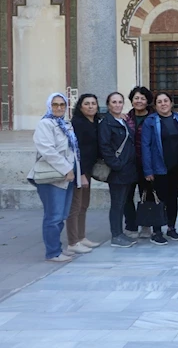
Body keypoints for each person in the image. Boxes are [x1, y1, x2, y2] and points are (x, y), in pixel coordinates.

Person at [28, 93, 81, 262]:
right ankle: (52, 252)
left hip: (67, 177)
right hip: (53, 177)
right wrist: (67, 169)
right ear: (49, 106)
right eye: (55, 104)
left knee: (61, 215)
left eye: (62, 105)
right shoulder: (45, 124)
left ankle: (57, 248)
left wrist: (74, 173)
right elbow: (47, 150)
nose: (59, 108)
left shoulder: (65, 124)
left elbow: (73, 151)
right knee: (53, 216)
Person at [141, 92, 178, 245]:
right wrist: (148, 170)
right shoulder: (150, 121)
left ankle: (171, 227)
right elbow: (145, 146)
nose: (163, 104)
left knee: (173, 199)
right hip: (159, 167)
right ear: (155, 105)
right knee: (159, 200)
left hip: (177, 166)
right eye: (159, 102)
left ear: (171, 103)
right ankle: (157, 231)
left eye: (166, 101)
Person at [98, 92, 138, 248]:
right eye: (114, 102)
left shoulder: (123, 120)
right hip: (118, 171)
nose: (117, 104)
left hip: (128, 169)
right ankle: (116, 235)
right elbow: (105, 147)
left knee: (123, 203)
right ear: (108, 105)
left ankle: (121, 233)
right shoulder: (106, 124)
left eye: (120, 102)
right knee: (117, 204)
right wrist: (117, 165)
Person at [67, 94, 101, 254]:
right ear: (80, 107)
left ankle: (81, 237)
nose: (90, 106)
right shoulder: (78, 123)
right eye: (87, 103)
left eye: (93, 103)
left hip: (87, 169)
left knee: (84, 205)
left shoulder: (94, 122)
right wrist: (79, 173)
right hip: (78, 170)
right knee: (76, 206)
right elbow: (75, 150)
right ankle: (73, 241)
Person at [125, 86, 154, 239]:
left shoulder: (153, 118)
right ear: (131, 100)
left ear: (148, 101)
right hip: (129, 163)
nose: (139, 101)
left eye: (142, 98)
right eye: (136, 98)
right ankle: (130, 225)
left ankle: (146, 225)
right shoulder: (125, 119)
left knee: (147, 194)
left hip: (147, 163)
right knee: (127, 195)